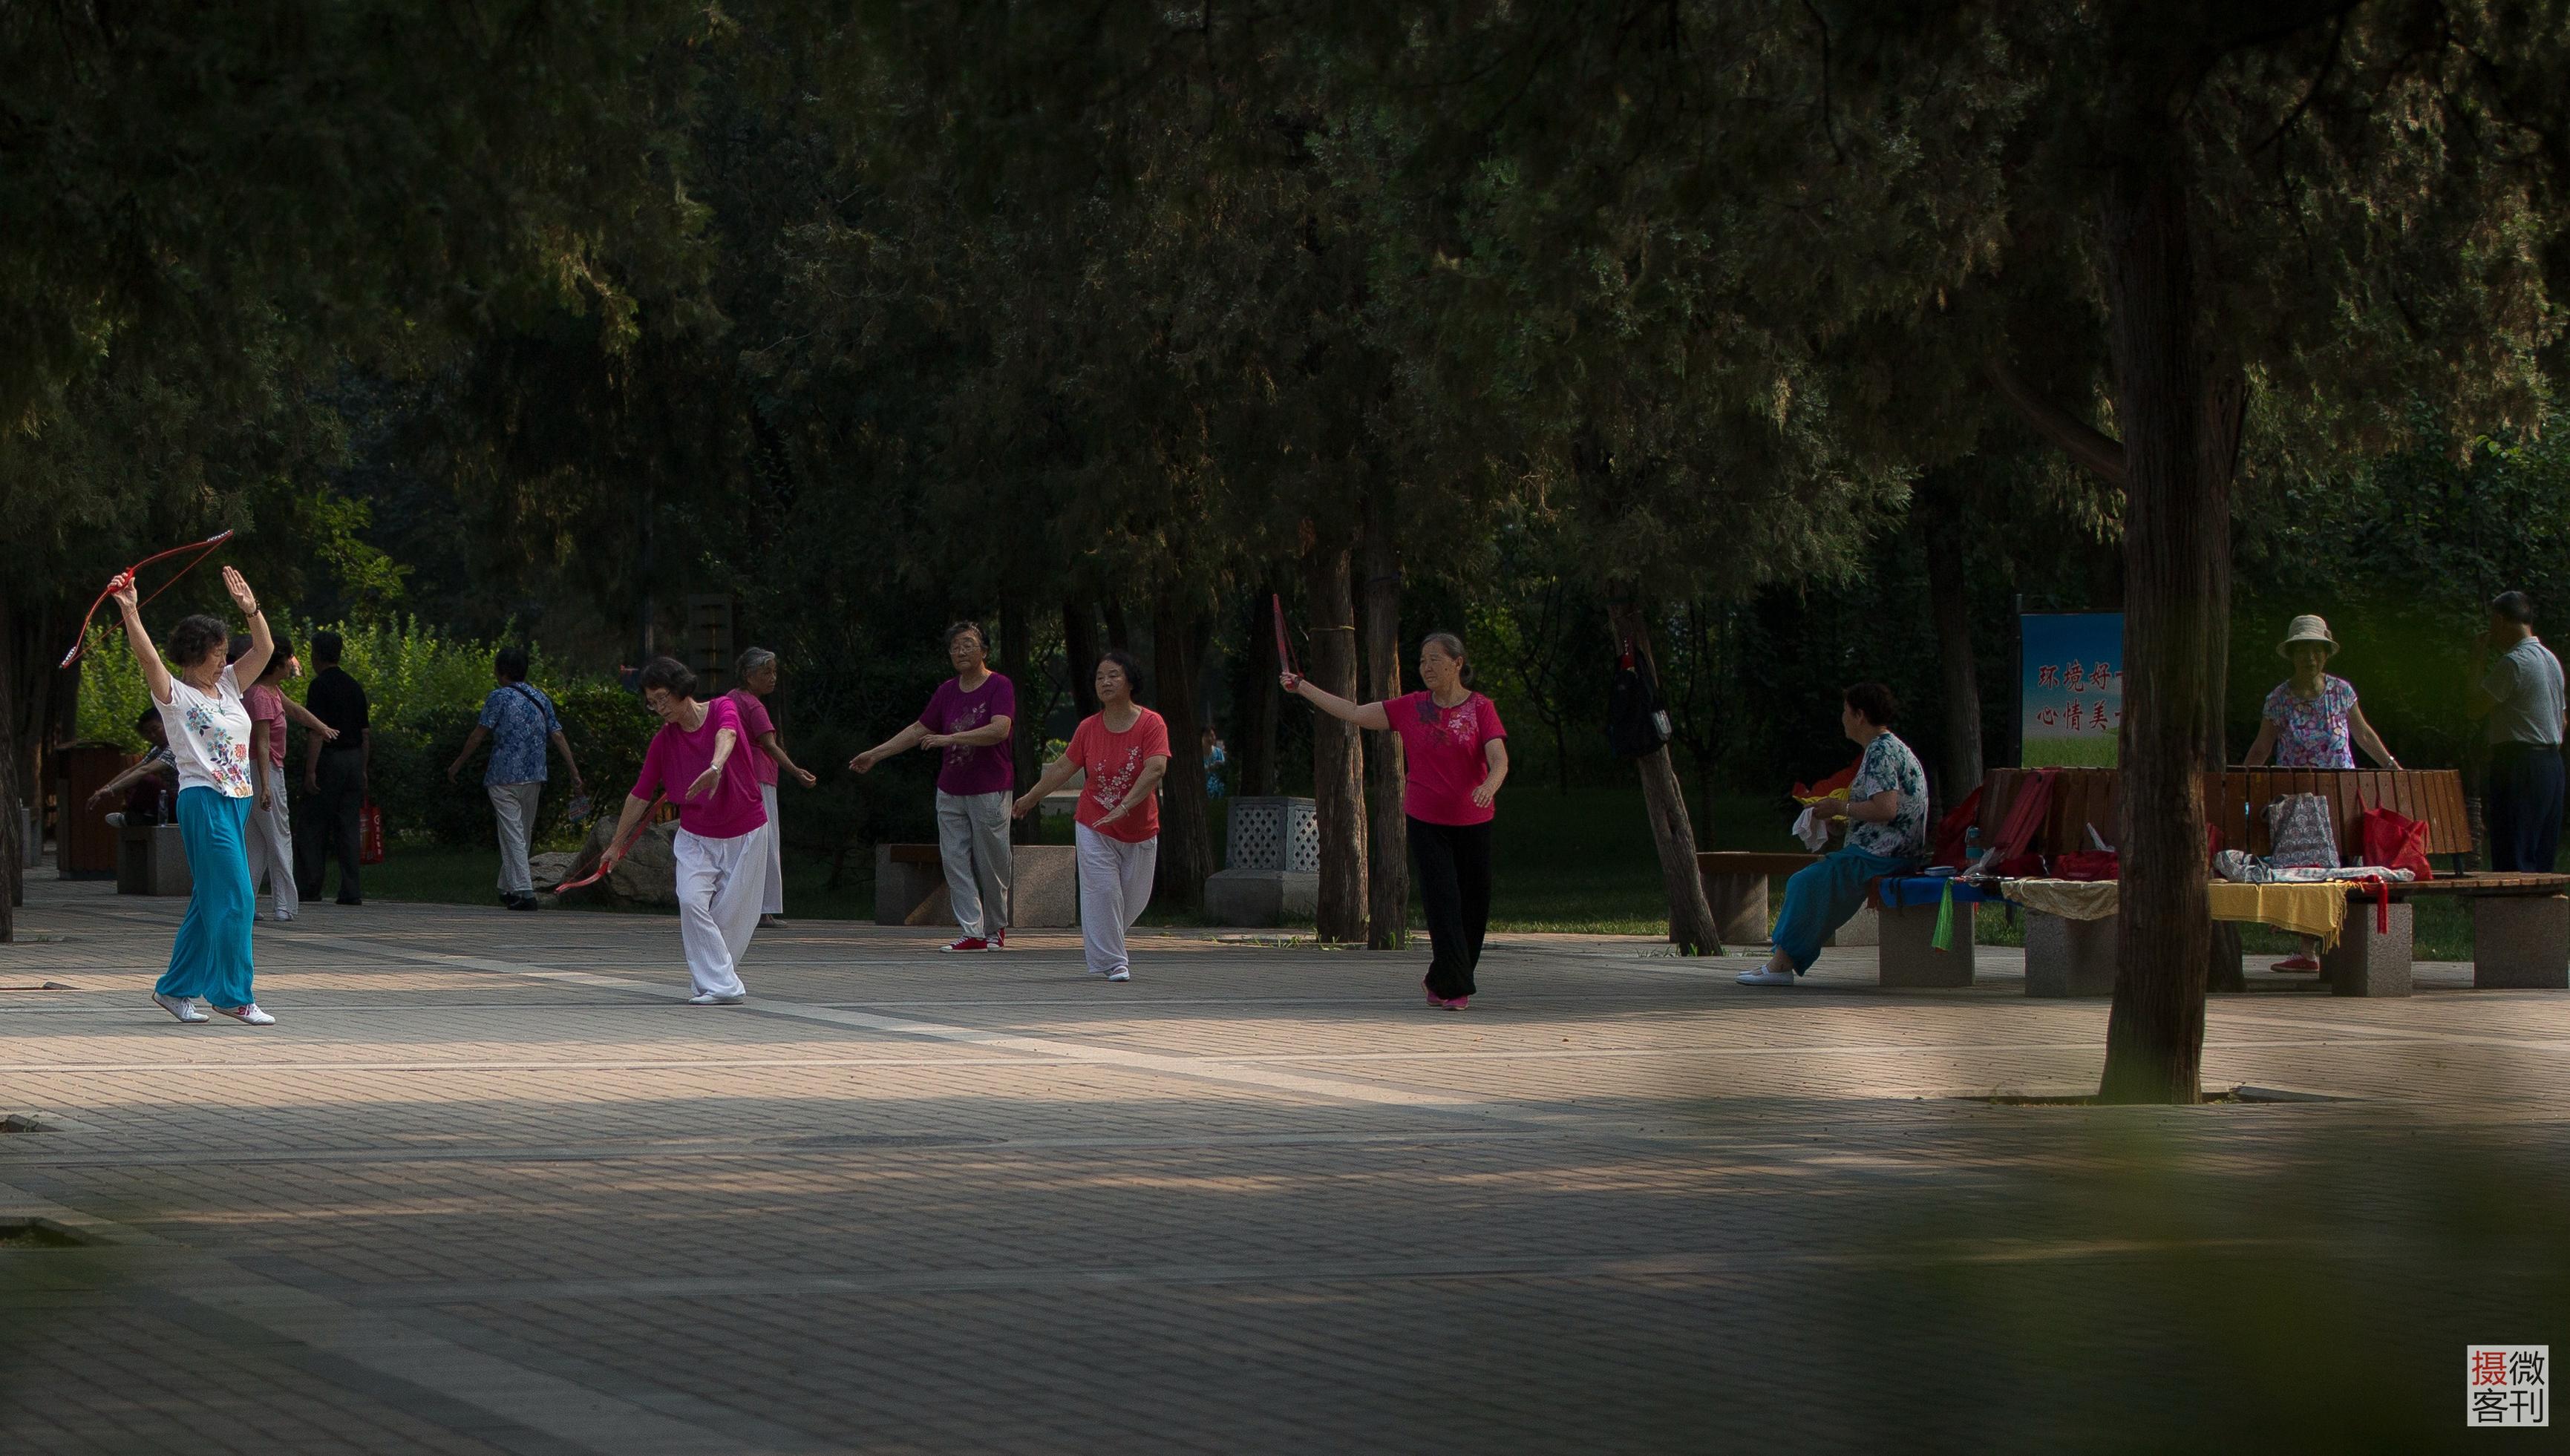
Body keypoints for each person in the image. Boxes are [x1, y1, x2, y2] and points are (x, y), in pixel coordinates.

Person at [1287, 632, 1510, 1009]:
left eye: (1435, 659)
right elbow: (1355, 713)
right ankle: (1456, 988)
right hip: (1427, 819)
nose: (1426, 667)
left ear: (1457, 663)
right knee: (1443, 900)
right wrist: (1304, 688)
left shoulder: (1481, 708)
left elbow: (1499, 758)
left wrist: (1490, 784)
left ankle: (1442, 978)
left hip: (1474, 819)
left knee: (1475, 904)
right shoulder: (1412, 707)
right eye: (1422, 660)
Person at [113, 564, 278, 1026]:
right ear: (197, 653)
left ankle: (175, 990)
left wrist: (252, 610)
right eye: (219, 651)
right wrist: (130, 612)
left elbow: (265, 649)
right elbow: (149, 660)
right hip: (203, 801)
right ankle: (231, 995)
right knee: (238, 898)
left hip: (236, 800)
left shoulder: (228, 685)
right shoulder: (176, 696)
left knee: (210, 901)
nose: (226, 657)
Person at [597, 658, 770, 1004]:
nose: (660, 708)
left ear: (681, 690)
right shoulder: (664, 742)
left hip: (745, 830)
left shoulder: (723, 708)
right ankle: (723, 987)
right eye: (652, 702)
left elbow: (729, 734)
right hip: (696, 836)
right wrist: (616, 845)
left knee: (732, 917)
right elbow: (640, 794)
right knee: (691, 901)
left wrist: (715, 766)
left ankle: (713, 983)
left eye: (663, 698)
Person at [1739, 683, 1930, 988]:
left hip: (1883, 857)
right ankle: (1782, 961)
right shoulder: (1887, 748)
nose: (1842, 717)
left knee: (1805, 883)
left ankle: (1780, 965)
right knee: (1814, 879)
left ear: (1859, 715)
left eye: (1845, 711)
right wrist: (1842, 821)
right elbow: (1881, 810)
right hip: (1885, 851)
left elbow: (1886, 808)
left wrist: (1839, 806)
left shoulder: (1881, 751)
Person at [2240, 614, 2400, 971]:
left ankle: (2345, 950)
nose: (2309, 658)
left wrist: (2390, 764)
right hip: (2297, 800)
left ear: (2325, 655)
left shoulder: (2342, 692)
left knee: (2344, 867)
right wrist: (2238, 781)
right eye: (2302, 651)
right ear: (2292, 655)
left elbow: (2363, 735)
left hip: (2340, 795)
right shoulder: (2278, 699)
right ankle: (2308, 951)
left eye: (2316, 651)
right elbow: (2262, 749)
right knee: (2305, 870)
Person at [849, 622, 1016, 951]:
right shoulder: (946, 691)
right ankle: (972, 931)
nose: (960, 651)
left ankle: (996, 929)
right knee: (954, 859)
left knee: (992, 861)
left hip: (990, 789)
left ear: (984, 649)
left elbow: (1000, 730)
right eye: (954, 646)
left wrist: (950, 738)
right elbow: (918, 729)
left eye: (968, 644)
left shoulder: (1000, 686)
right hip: (951, 788)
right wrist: (876, 754)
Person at [1013, 652, 1171, 982]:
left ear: (1130, 681)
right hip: (1094, 823)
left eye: (1113, 675)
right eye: (1100, 677)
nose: (1106, 682)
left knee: (1133, 900)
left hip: (1139, 828)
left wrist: (1125, 806)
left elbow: (1156, 767)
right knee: (1103, 892)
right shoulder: (1088, 728)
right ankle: (1116, 963)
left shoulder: (1151, 723)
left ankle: (1106, 940)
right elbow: (1062, 768)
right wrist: (1031, 797)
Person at [446, 646, 584, 911]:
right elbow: (557, 735)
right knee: (522, 832)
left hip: (503, 777)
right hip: (534, 775)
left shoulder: (498, 698)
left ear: (501, 671)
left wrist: (457, 764)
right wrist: (574, 771)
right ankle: (507, 887)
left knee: (513, 834)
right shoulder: (541, 698)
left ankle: (525, 891)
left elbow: (478, 734)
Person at [2468, 590, 2567, 873]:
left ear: (2500, 620)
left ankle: (2512, 915)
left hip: (2519, 763)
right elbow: (2563, 722)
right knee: (2541, 855)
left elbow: (2475, 708)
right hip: (2551, 765)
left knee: (2513, 854)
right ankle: (2540, 916)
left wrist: (2477, 658)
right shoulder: (2551, 661)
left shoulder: (2514, 662)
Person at [729, 647, 819, 928]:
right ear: (748, 675)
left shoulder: (730, 699)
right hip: (759, 776)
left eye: (774, 672)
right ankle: (763, 908)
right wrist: (795, 771)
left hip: (736, 776)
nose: (772, 678)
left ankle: (739, 903)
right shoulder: (754, 706)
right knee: (765, 839)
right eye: (766, 672)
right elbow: (769, 744)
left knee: (740, 841)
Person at [296, 629, 371, 905]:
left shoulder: (319, 686)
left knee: (313, 824)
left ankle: (310, 886)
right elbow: (365, 733)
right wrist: (363, 767)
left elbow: (317, 732)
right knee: (348, 825)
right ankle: (351, 889)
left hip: (330, 758)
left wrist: (310, 770)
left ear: (316, 655)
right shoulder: (354, 686)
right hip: (353, 759)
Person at [88, 711, 177, 827]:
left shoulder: (176, 746)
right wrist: (102, 791)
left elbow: (145, 770)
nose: (153, 735)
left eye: (155, 729)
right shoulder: (158, 749)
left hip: (182, 804)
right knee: (130, 781)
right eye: (148, 733)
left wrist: (110, 791)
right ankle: (141, 817)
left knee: (148, 781)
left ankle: (132, 817)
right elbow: (131, 771)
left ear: (166, 724)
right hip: (165, 804)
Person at [1202, 726, 1229, 799]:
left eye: (1212, 735)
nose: (1211, 738)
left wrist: (1220, 765)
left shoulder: (1218, 752)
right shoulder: (1198, 754)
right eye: (1207, 736)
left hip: (1218, 788)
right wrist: (1209, 768)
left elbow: (1223, 768)